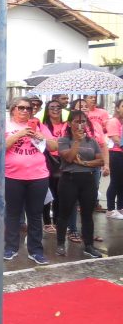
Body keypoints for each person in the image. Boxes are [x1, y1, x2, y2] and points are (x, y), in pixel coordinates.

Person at [2, 96, 57, 265]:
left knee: (35, 214)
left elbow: (54, 147)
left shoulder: (39, 125)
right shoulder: (4, 125)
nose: (25, 111)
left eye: (29, 108)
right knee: (12, 214)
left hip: (38, 176)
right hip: (12, 176)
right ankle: (11, 248)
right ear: (13, 109)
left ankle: (36, 251)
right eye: (21, 107)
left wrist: (42, 137)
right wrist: (20, 134)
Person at [56, 110, 104, 259]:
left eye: (83, 121)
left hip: (88, 179)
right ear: (69, 124)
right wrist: (76, 142)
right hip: (69, 179)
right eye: (77, 121)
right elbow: (69, 158)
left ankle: (89, 245)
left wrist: (84, 163)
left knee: (87, 214)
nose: (80, 125)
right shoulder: (64, 140)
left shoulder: (92, 141)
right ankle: (60, 244)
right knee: (64, 212)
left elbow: (100, 160)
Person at [41, 99, 68, 233]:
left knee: (60, 194)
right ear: (47, 110)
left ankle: (57, 222)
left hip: (65, 160)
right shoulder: (43, 126)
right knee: (48, 193)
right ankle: (47, 222)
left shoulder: (67, 125)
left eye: (58, 107)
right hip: (49, 161)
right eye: (52, 107)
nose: (55, 109)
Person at [104, 99, 123, 219]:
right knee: (115, 182)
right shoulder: (113, 121)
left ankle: (120, 208)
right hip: (116, 154)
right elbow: (116, 139)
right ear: (117, 108)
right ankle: (110, 209)